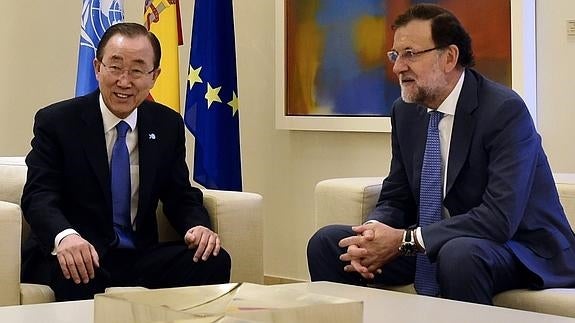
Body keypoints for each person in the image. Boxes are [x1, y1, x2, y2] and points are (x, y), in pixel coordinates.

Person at [307, 4, 575, 305]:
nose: (397, 67)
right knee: (329, 244)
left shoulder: (503, 111)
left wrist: (408, 240)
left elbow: (499, 219)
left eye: (410, 54)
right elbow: (397, 196)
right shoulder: (405, 111)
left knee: (458, 254)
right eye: (395, 55)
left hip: (518, 246)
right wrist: (371, 234)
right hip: (436, 244)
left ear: (449, 57)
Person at [21, 22, 231, 301]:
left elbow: (179, 193)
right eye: (115, 67)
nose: (124, 81)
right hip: (77, 252)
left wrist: (197, 225)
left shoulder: (166, 124)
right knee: (80, 272)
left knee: (214, 260)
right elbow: (39, 195)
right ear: (97, 67)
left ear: (154, 76)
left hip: (137, 254)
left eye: (137, 70)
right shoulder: (57, 122)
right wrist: (65, 236)